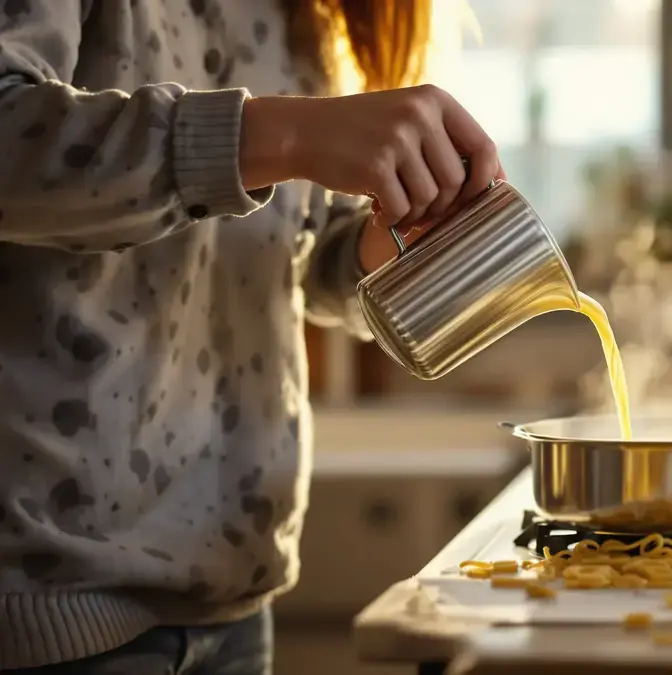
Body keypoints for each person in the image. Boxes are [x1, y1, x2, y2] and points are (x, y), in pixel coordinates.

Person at [0, 1, 502, 672]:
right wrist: (288, 136)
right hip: (57, 600)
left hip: (231, 594)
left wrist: (396, 241)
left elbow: (304, 251)